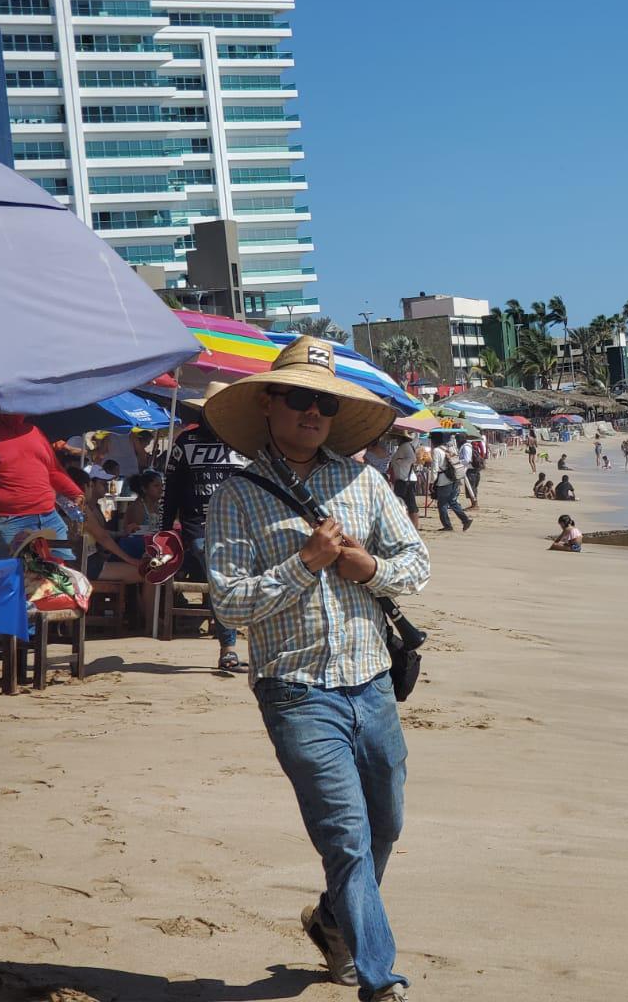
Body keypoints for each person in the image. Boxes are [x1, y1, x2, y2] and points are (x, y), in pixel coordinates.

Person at [203, 337, 428, 1001]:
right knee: (347, 837)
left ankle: (332, 921)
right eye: (300, 398)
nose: (312, 413)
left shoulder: (365, 482)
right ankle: (378, 979)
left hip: (372, 682)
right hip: (295, 691)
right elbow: (230, 603)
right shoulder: (235, 495)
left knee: (386, 824)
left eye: (325, 404)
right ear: (268, 403)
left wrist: (370, 568)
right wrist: (305, 564)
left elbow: (417, 564)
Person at [162, 384, 247, 670]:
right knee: (220, 581)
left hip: (240, 526)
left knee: (235, 582)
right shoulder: (185, 442)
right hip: (199, 528)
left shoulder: (244, 442)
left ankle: (249, 644)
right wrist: (164, 528)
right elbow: (170, 488)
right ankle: (228, 647)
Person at [0, 411, 85, 559]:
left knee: (61, 567)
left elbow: (53, 469)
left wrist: (75, 493)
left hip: (48, 516)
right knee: (12, 570)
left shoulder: (34, 431)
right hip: (6, 521)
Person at [428, 434, 471, 533]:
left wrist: (432, 482)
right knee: (452, 501)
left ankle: (447, 525)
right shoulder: (448, 449)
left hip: (444, 480)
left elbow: (434, 469)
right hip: (454, 478)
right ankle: (465, 520)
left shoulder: (436, 451)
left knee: (442, 504)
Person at [386, 433, 420, 527]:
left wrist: (399, 462)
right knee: (405, 504)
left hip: (406, 480)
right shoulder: (404, 446)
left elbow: (412, 459)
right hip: (403, 479)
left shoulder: (405, 446)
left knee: (410, 505)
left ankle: (414, 527)